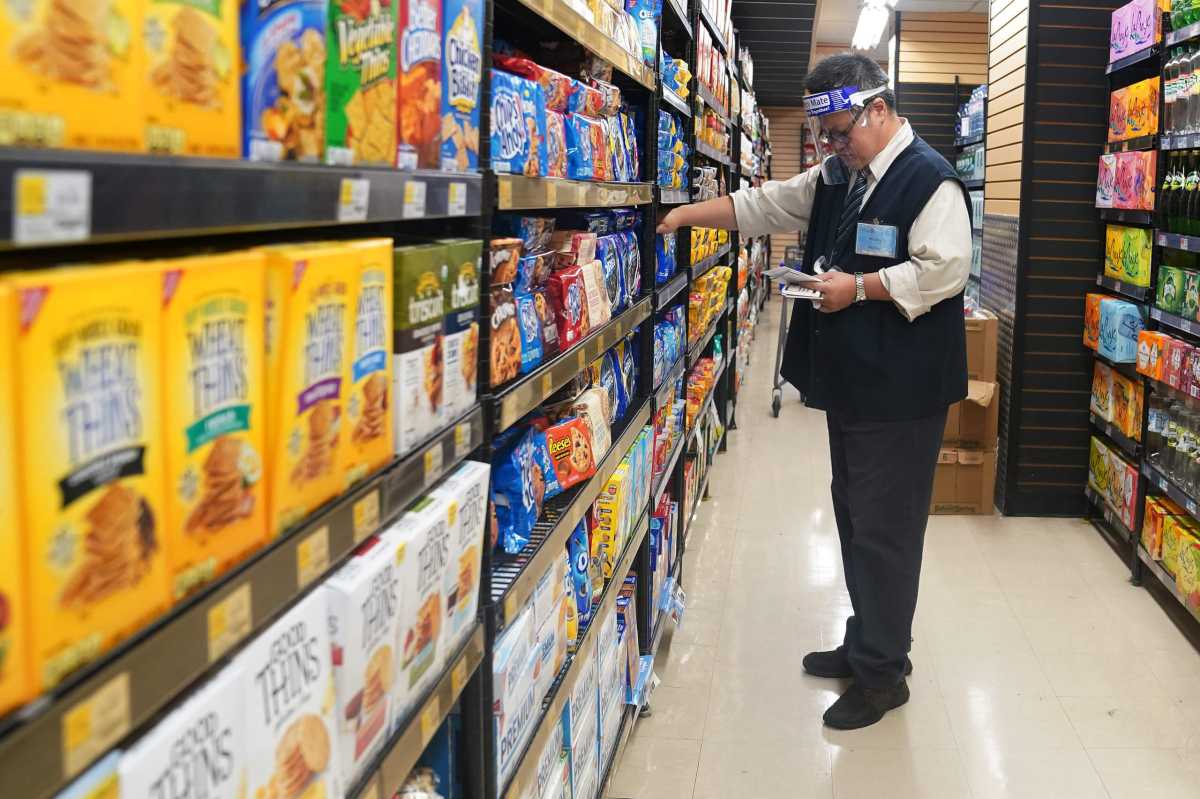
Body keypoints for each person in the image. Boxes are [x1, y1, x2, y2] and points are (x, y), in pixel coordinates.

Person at [657, 53, 972, 730]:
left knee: (885, 532)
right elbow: (763, 203)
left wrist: (857, 287)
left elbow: (945, 271)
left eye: (840, 132)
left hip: (903, 391)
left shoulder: (932, 181)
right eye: (823, 136)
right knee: (857, 519)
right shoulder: (840, 176)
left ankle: (885, 676)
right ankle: (869, 641)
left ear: (879, 110)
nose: (831, 148)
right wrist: (686, 214)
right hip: (856, 383)